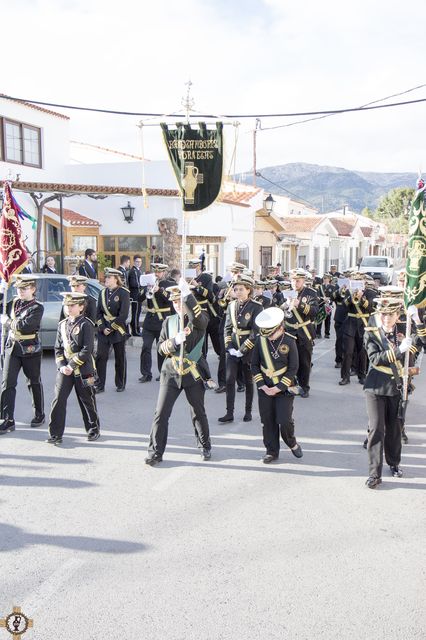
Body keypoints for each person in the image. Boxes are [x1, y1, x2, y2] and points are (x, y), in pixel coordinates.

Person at [145, 279, 211, 465]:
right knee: (161, 413)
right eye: (175, 302)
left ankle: (204, 445)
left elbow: (200, 318)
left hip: (193, 372)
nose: (177, 305)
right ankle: (155, 452)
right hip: (171, 372)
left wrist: (188, 295)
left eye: (180, 302)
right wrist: (174, 341)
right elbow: (160, 348)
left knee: (197, 411)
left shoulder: (198, 320)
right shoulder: (169, 321)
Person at [363, 297, 413, 488]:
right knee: (376, 428)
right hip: (375, 386)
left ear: (397, 315)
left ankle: (394, 463)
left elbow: (413, 355)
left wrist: (411, 345)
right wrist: (399, 349)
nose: (386, 318)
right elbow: (375, 359)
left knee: (394, 429)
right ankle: (374, 473)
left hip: (397, 387)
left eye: (390, 314)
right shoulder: (372, 333)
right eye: (383, 314)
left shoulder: (404, 331)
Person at [47, 292, 100, 444]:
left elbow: (87, 349)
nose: (68, 308)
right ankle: (55, 433)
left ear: (81, 307)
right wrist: (62, 365)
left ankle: (93, 429)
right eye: (67, 305)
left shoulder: (86, 324)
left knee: (87, 400)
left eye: (72, 305)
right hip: (65, 370)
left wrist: (71, 365)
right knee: (58, 400)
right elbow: (57, 348)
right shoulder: (62, 325)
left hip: (84, 369)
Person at [252, 307, 303, 463]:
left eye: (272, 333)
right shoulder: (261, 340)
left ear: (280, 327)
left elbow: (294, 367)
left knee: (284, 419)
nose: (270, 337)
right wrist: (262, 385)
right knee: (267, 420)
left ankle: (291, 441)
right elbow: (254, 365)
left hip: (284, 388)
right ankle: (271, 451)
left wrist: (279, 387)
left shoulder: (289, 340)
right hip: (265, 388)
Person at [0, 275, 44, 433]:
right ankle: (8, 419)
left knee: (33, 382)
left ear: (33, 289)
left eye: (24, 289)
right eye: (19, 288)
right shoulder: (13, 303)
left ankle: (39, 413)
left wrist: (7, 322)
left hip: (29, 349)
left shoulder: (37, 307)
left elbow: (25, 326)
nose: (21, 291)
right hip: (12, 347)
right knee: (7, 384)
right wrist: (2, 291)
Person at [219, 273, 262, 423]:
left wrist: (243, 349)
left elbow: (256, 331)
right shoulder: (231, 305)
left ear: (248, 290)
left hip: (248, 350)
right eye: (236, 289)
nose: (238, 292)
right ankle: (229, 413)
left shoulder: (256, 307)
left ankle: (248, 411)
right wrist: (229, 347)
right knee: (230, 379)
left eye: (241, 289)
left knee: (249, 381)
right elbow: (227, 328)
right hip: (233, 348)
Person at [283, 269, 319, 398]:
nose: (295, 283)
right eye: (293, 280)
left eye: (297, 280)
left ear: (303, 280)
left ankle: (304, 387)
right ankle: (291, 385)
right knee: (289, 362)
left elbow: (315, 311)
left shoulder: (311, 293)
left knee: (304, 362)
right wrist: (285, 305)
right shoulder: (286, 292)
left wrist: (301, 304)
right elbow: (281, 310)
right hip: (289, 331)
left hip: (304, 332)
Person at [95, 268, 130, 393]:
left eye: (109, 277)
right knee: (100, 357)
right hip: (104, 330)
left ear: (116, 279)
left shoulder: (124, 293)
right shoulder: (102, 293)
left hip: (118, 329)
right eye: (106, 277)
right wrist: (103, 328)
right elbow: (98, 313)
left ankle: (120, 383)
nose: (106, 279)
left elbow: (123, 315)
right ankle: (99, 384)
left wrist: (111, 327)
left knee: (120, 358)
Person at [139, 263, 175, 383]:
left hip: (162, 320)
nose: (157, 274)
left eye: (159, 272)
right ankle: (146, 373)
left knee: (162, 349)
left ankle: (163, 372)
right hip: (149, 320)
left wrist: (159, 290)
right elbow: (138, 299)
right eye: (156, 272)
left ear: (164, 272)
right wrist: (145, 288)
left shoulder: (169, 284)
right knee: (145, 347)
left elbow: (170, 300)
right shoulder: (149, 283)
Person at [339, 273, 375, 386]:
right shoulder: (348, 292)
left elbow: (371, 308)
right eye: (355, 281)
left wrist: (362, 299)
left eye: (360, 281)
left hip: (364, 324)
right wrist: (351, 295)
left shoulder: (371, 293)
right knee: (348, 352)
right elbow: (344, 305)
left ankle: (362, 375)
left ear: (364, 282)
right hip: (350, 324)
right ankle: (345, 377)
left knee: (362, 352)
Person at [128, 255, 143, 336]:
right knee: (135, 313)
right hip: (135, 295)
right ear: (134, 262)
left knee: (138, 312)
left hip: (138, 295)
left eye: (140, 261)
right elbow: (134, 284)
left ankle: (137, 328)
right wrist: (143, 284)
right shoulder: (133, 271)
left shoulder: (138, 270)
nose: (139, 263)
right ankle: (135, 331)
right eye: (137, 261)